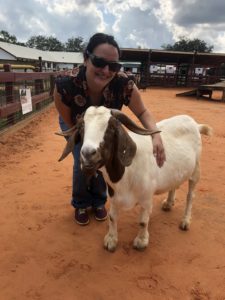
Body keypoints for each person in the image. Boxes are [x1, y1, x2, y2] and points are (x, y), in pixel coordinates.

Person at [54, 32, 166, 226]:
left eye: (113, 66)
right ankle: (80, 202)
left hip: (106, 126)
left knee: (105, 159)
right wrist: (82, 141)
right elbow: (71, 124)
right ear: (86, 58)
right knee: (84, 157)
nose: (106, 70)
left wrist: (155, 135)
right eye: (99, 62)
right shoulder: (65, 85)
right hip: (77, 123)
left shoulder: (123, 84)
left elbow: (143, 112)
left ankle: (99, 201)